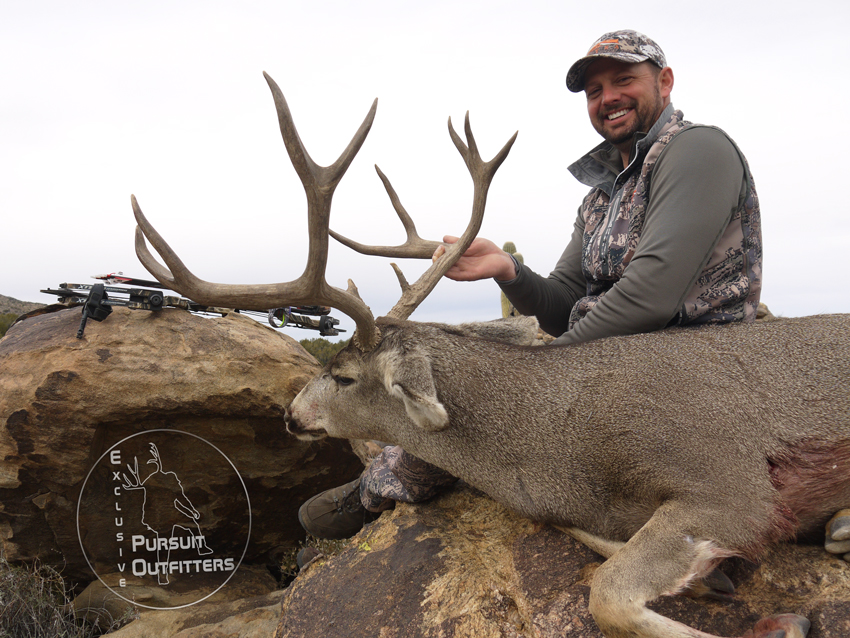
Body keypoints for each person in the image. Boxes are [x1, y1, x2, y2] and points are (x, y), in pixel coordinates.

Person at [297, 29, 762, 542]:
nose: (608, 98)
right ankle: (383, 478)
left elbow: (650, 295)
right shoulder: (600, 198)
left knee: (483, 406)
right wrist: (508, 271)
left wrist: (536, 382)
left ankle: (381, 488)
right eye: (594, 91)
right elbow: (564, 303)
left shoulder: (698, 151)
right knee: (463, 359)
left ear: (665, 81)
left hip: (687, 369)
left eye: (624, 80)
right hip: (612, 364)